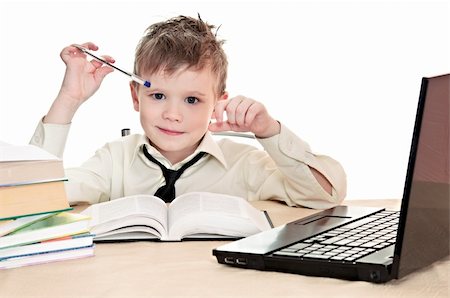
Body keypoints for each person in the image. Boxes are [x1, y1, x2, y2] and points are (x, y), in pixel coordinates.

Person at [30, 15, 346, 209]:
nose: (172, 114)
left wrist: (270, 132)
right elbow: (29, 199)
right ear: (136, 95)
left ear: (217, 102)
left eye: (192, 100)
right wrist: (69, 99)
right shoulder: (114, 160)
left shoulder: (243, 163)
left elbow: (324, 195)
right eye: (158, 95)